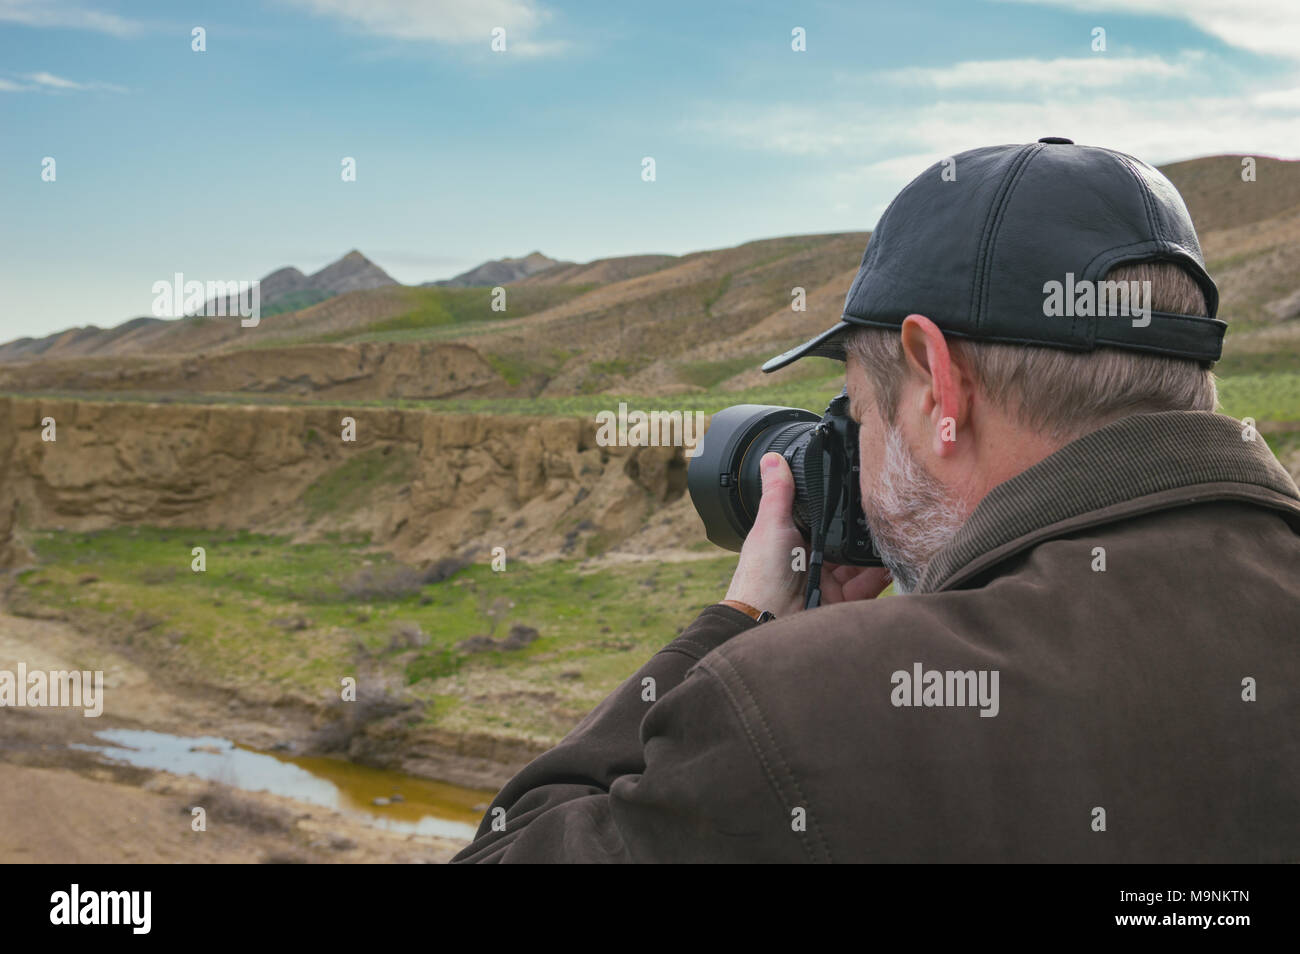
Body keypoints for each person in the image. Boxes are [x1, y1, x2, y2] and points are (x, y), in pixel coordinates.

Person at [452, 138, 1300, 863]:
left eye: (857, 412)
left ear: (937, 385)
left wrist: (739, 623)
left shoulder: (798, 711)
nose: (852, 452)